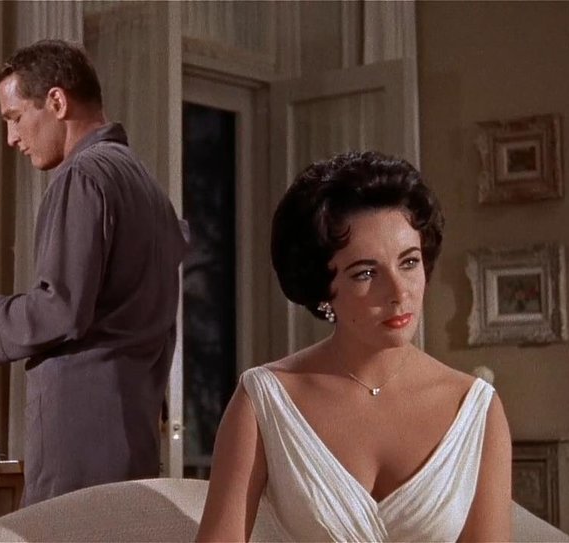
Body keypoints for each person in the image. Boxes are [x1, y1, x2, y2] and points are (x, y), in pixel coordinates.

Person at [196, 151, 512, 541]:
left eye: (409, 262)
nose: (398, 292)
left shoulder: (475, 408)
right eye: (365, 273)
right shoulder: (265, 400)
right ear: (323, 287)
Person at [0, 39, 188, 507]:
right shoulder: (147, 186)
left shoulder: (83, 177)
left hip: (81, 436)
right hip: (133, 428)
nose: (11, 138)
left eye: (15, 118)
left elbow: (62, 309)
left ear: (56, 101)